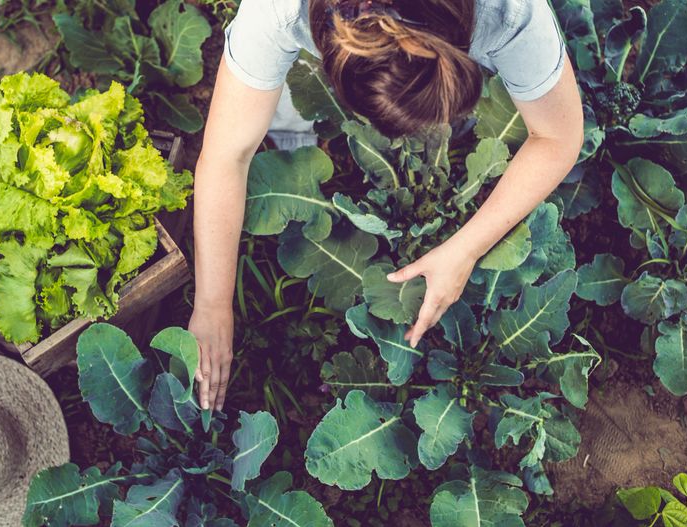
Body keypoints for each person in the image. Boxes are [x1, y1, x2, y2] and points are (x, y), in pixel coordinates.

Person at [188, 0, 584, 412]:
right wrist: (212, 304)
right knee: (274, 104)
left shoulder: (508, 10)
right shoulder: (278, 10)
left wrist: (464, 249)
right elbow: (225, 157)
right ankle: (289, 119)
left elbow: (559, 137)